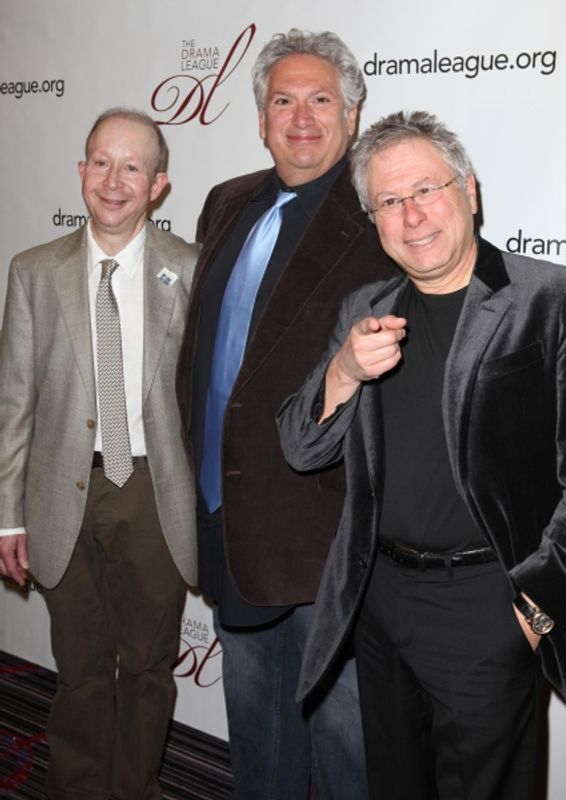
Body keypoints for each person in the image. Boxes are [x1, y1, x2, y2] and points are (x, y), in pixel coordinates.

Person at [277, 110, 566, 800]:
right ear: (374, 220)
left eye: (427, 189)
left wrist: (535, 608)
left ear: (469, 190)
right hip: (381, 602)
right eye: (389, 201)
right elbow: (300, 448)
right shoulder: (366, 308)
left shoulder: (551, 298)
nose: (412, 215)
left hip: (489, 606)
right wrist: (343, 370)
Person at [176, 29, 396, 799]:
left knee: (347, 754)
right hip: (227, 520)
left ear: (353, 113)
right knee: (259, 739)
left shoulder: (382, 212)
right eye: (283, 101)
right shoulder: (226, 202)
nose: (301, 118)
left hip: (324, 539)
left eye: (321, 100)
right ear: (261, 118)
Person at [0, 108, 198, 800]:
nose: (114, 180)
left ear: (158, 184)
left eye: (132, 167)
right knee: (80, 667)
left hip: (153, 494)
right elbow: (13, 403)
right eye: (102, 163)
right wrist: (7, 517)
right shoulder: (33, 271)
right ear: (81, 171)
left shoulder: (192, 269)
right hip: (60, 491)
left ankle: (132, 788)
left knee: (146, 667)